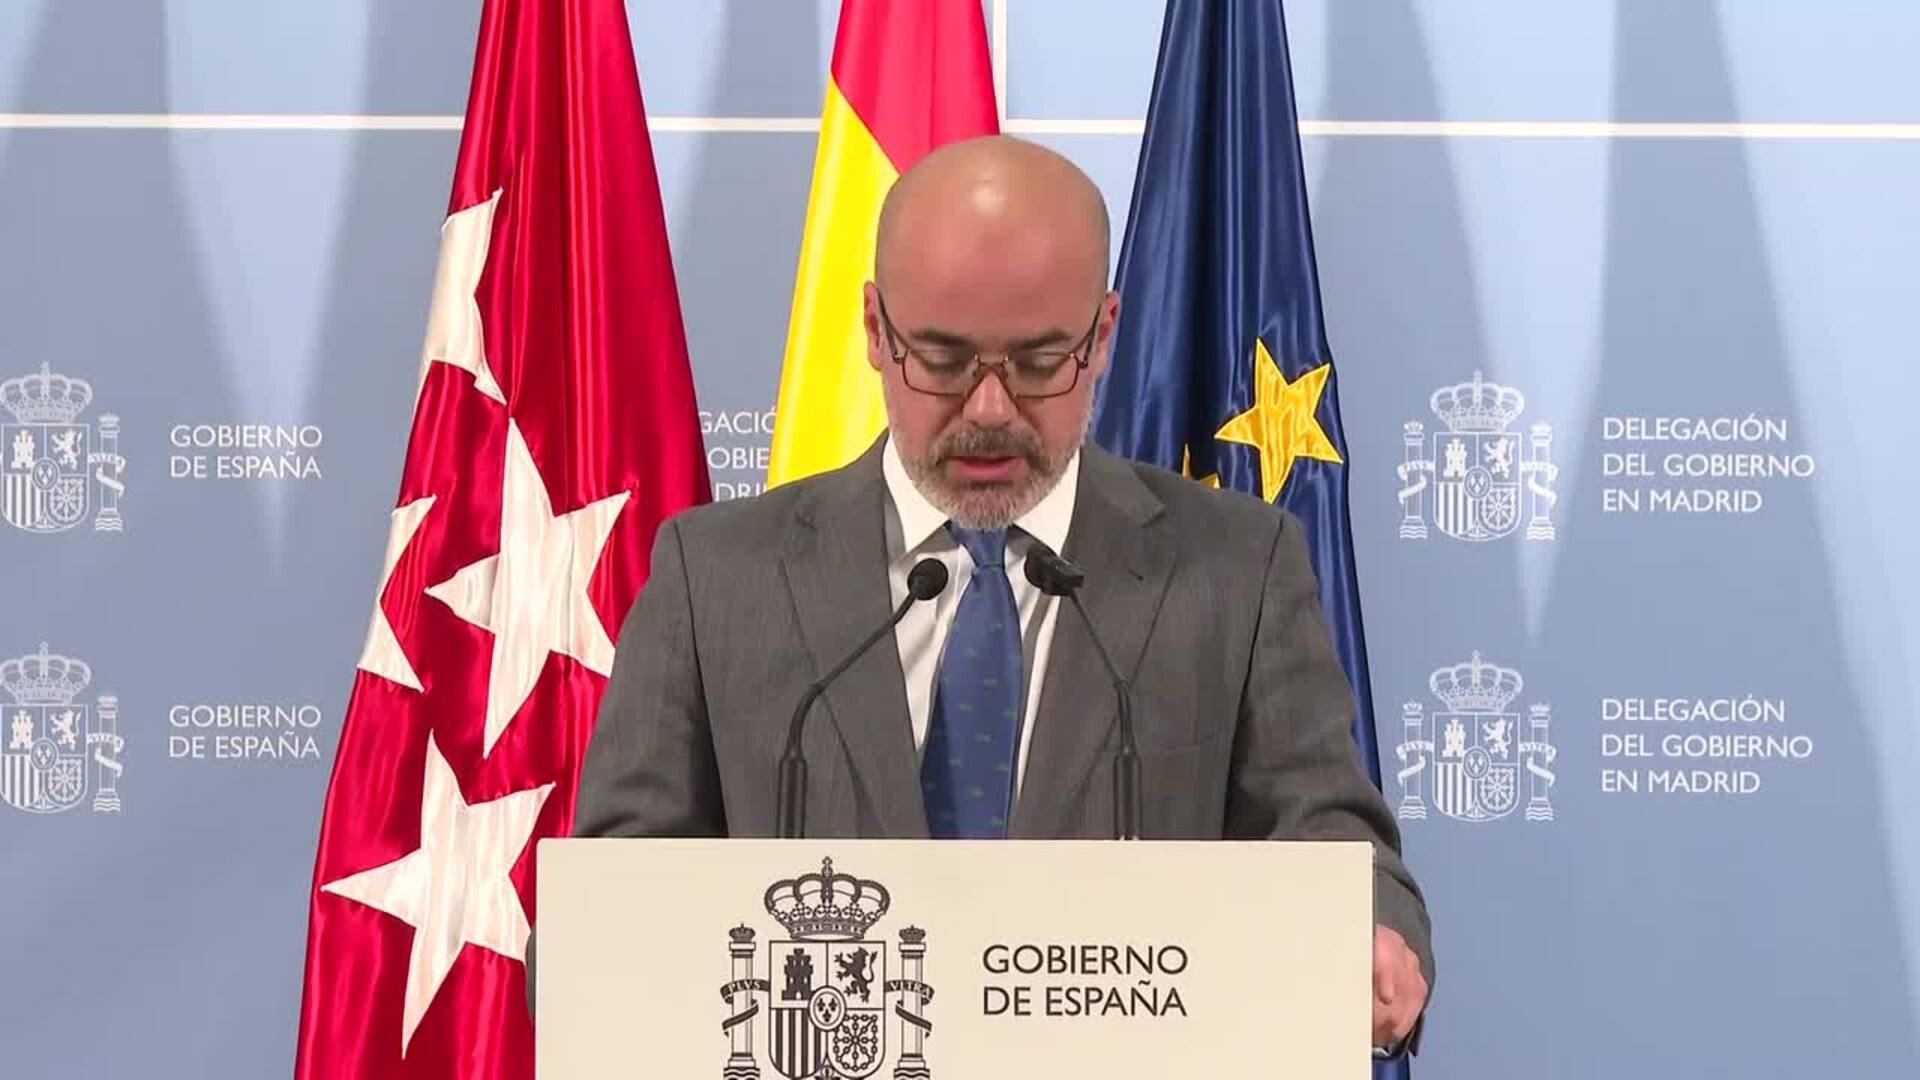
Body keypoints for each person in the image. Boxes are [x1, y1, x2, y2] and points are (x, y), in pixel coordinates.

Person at [568, 134, 1432, 1051]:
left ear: (1102, 336)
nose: (989, 410)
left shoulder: (1236, 569)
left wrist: (1371, 933)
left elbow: (1333, 841)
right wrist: (610, 963)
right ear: (875, 330)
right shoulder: (716, 577)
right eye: (942, 361)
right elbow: (608, 909)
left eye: (1038, 362)